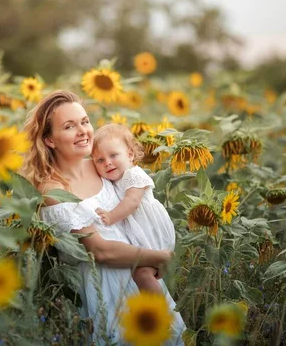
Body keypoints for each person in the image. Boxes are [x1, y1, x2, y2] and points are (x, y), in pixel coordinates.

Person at [21, 90, 185, 345]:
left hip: (142, 274)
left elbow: (134, 196)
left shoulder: (100, 164)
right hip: (107, 287)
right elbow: (99, 251)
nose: (83, 131)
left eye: (85, 121)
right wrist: (159, 257)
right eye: (69, 126)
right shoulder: (53, 190)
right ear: (50, 140)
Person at [92, 123, 176, 294]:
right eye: (100, 160)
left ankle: (158, 312)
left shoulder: (133, 174)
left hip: (151, 231)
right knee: (141, 273)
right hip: (140, 233)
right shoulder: (113, 181)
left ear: (130, 155)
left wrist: (110, 216)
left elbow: (132, 202)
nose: (107, 163)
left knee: (142, 274)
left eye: (113, 155)